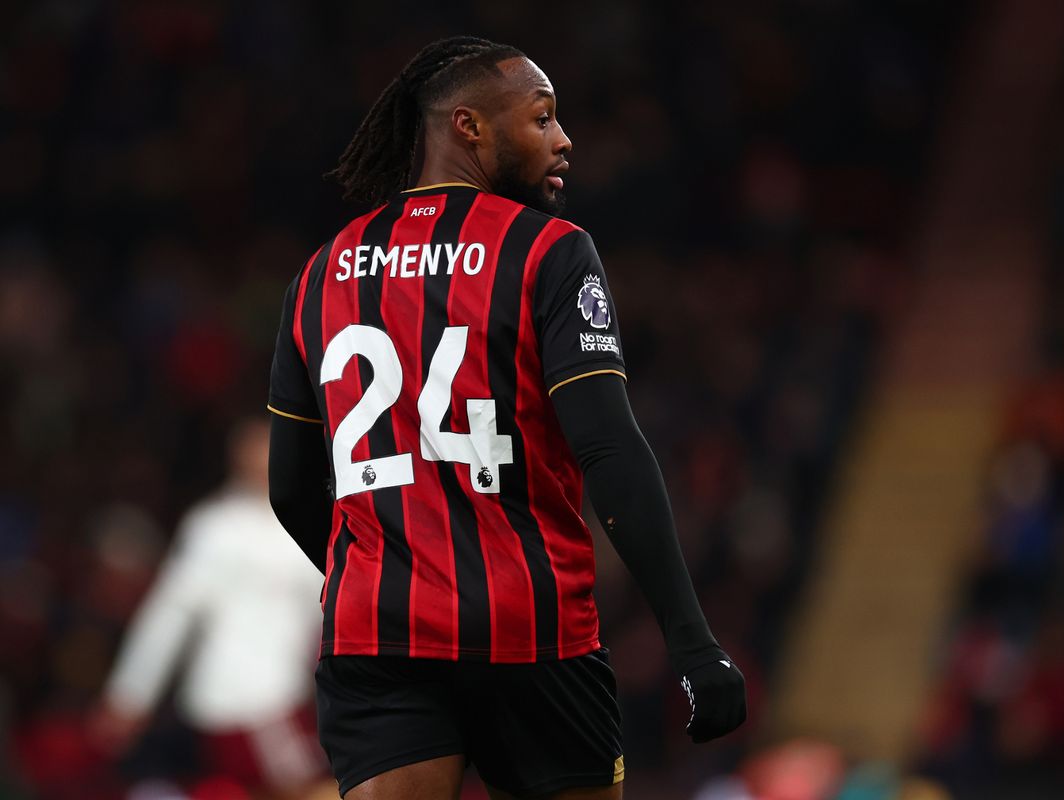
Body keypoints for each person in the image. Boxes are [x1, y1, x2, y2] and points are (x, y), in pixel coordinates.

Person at [267, 36, 746, 800]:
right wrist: (691, 641)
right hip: (529, 631)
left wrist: (390, 571)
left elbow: (291, 487)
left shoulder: (320, 271)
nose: (564, 140)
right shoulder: (549, 251)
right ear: (469, 128)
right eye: (543, 118)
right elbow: (608, 446)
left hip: (376, 635)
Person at [94, 418, 331, 799]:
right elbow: (170, 613)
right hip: (249, 701)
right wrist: (130, 694)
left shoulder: (308, 520)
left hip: (289, 699)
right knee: (316, 790)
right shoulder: (215, 529)